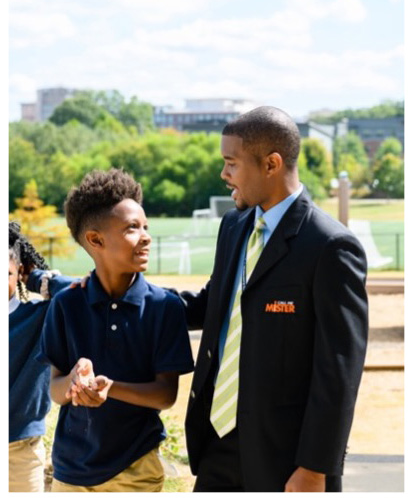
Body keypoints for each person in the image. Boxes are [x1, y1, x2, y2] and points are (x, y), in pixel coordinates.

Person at [178, 106, 368, 492]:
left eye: (231, 163)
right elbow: (211, 305)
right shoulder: (233, 226)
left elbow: (338, 371)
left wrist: (315, 468)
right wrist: (117, 289)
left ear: (271, 164)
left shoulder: (331, 247)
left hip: (286, 462)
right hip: (216, 445)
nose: (224, 174)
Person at [37, 168, 194, 492]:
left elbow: (165, 395)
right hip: (70, 472)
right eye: (132, 228)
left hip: (136, 470)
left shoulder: (164, 306)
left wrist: (109, 388)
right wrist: (75, 383)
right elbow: (55, 389)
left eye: (145, 226)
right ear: (95, 240)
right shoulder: (66, 305)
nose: (146, 236)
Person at [9, 221, 74, 492]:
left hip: (20, 454)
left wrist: (40, 279)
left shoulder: (38, 315)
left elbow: (82, 291)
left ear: (18, 272)